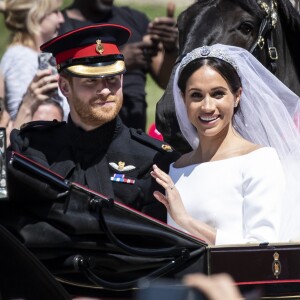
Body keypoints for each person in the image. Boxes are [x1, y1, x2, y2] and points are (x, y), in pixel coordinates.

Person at [6, 23, 179, 221]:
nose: (105, 90)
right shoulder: (31, 148)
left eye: (112, 79)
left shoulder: (153, 160)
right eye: (90, 81)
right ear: (64, 86)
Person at [151, 44, 300, 245]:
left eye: (218, 94)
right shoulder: (176, 169)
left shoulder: (259, 161)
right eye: (196, 95)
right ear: (183, 99)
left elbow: (262, 249)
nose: (207, 106)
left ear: (237, 96)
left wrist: (186, 221)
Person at [58, 0, 179, 131]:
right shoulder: (60, 26)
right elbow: (56, 83)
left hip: (133, 135)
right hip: (83, 133)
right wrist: (118, 61)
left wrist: (170, 48)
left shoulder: (134, 19)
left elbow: (166, 81)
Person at [0, 0, 69, 121]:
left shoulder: (35, 55)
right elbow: (23, 119)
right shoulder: (20, 57)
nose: (61, 19)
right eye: (55, 12)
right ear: (36, 17)